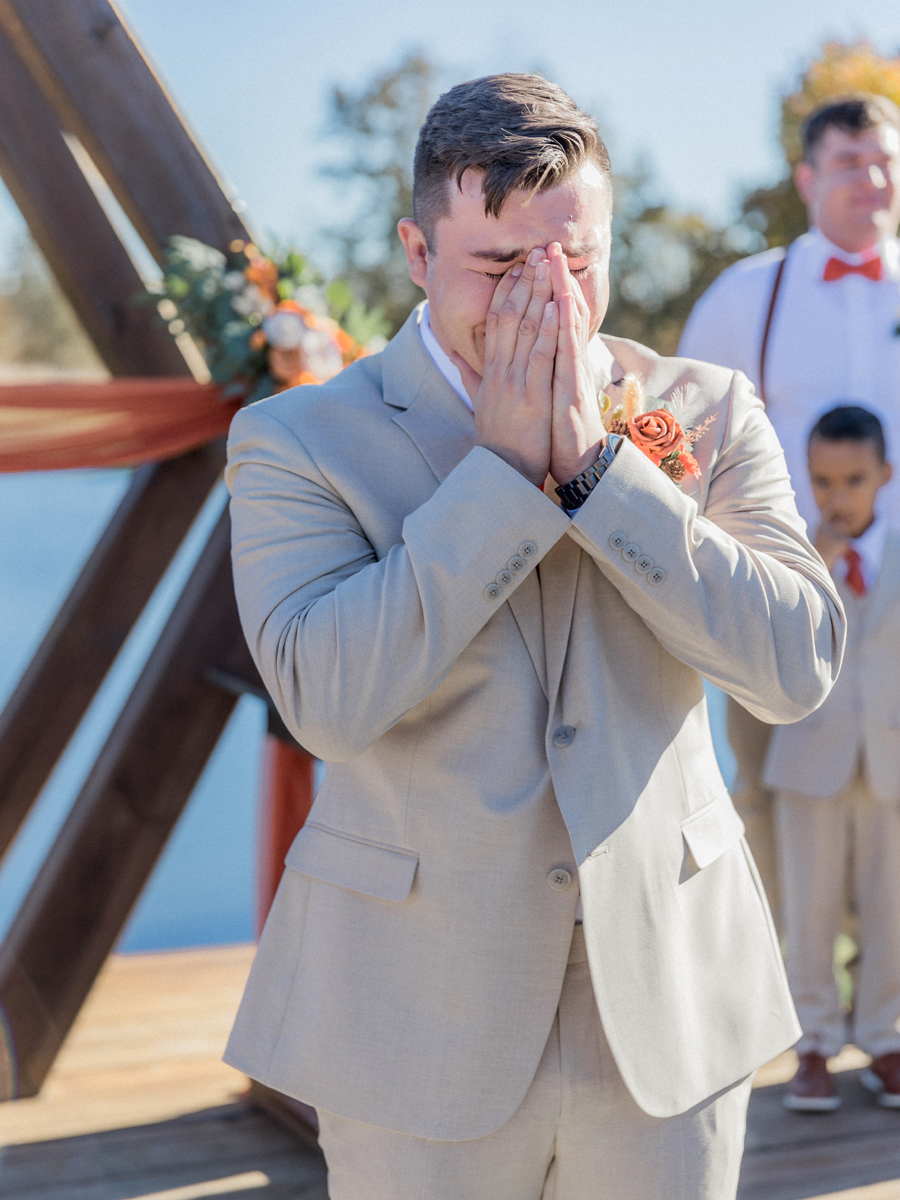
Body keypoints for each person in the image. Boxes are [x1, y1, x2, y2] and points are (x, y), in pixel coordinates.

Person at [224, 74, 843, 1199]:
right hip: (412, 1021)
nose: (549, 297)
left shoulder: (709, 408)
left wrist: (607, 480)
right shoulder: (295, 440)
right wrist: (503, 476)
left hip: (668, 1010)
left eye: (579, 259)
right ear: (417, 251)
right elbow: (326, 701)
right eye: (502, 266)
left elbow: (797, 668)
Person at [678, 95, 900, 921]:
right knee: (767, 789)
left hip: (899, 598)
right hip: (781, 590)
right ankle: (792, 1016)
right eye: (849, 163)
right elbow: (685, 441)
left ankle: (884, 1025)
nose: (872, 180)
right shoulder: (747, 296)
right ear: (807, 179)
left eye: (884, 161)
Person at [764, 405, 900, 1112]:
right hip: (810, 757)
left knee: (892, 912)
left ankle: (883, 1037)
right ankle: (813, 1043)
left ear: (884, 475)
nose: (837, 496)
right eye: (821, 481)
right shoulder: (789, 559)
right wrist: (809, 562)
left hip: (891, 763)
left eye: (853, 479)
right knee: (807, 910)